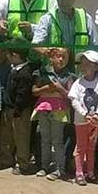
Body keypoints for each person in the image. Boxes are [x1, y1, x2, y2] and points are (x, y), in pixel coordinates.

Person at [32, 48, 76, 181]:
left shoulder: (70, 76)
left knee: (57, 140)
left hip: (59, 110)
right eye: (58, 56)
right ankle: (44, 166)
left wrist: (59, 88)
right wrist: (46, 89)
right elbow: (34, 91)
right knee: (45, 139)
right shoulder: (42, 73)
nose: (61, 59)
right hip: (43, 109)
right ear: (50, 58)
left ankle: (59, 169)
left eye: (64, 57)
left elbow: (71, 95)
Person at [68, 50, 98, 186]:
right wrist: (84, 114)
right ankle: (79, 173)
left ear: (96, 67)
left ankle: (90, 172)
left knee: (92, 147)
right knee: (81, 147)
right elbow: (74, 100)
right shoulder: (78, 83)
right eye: (82, 64)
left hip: (96, 122)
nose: (84, 67)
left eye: (88, 64)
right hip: (81, 121)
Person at [32, 0, 96, 51]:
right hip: (55, 62)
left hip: (79, 62)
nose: (62, 2)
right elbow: (36, 43)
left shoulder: (86, 19)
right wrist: (49, 53)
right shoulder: (48, 19)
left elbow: (95, 47)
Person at [5, 48, 37, 175]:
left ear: (15, 55)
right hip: (12, 108)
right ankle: (12, 160)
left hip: (20, 110)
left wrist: (17, 110)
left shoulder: (24, 73)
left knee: (22, 137)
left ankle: (23, 164)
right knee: (13, 136)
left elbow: (22, 95)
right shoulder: (15, 70)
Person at [0, 48, 17, 170]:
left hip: (6, 103)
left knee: (5, 133)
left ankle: (5, 159)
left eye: (2, 52)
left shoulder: (11, 67)